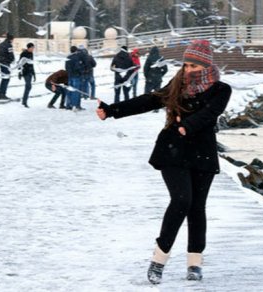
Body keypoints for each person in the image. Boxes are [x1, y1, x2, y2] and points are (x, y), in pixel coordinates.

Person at [96, 40, 232, 284]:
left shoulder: (222, 89)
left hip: (202, 152)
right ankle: (158, 260)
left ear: (205, 65)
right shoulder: (177, 84)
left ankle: (194, 263)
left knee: (197, 207)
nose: (188, 69)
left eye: (193, 65)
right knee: (182, 200)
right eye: (186, 64)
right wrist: (113, 110)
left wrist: (187, 126)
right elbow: (150, 100)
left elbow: (210, 113)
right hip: (173, 151)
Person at [65, 45, 85, 110]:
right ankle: (75, 105)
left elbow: (66, 67)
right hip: (76, 76)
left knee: (69, 90)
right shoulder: (76, 57)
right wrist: (81, 71)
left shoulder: (68, 57)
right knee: (76, 91)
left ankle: (68, 105)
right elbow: (77, 67)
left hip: (70, 76)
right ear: (76, 51)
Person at [0, 32, 15, 100]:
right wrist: (12, 60)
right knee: (6, 79)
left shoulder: (1, 44)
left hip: (1, 63)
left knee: (4, 78)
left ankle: (1, 93)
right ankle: (2, 94)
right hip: (6, 63)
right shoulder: (9, 45)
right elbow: (11, 55)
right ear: (11, 39)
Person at [18, 43, 36, 108]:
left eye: (33, 48)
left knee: (29, 87)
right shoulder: (23, 54)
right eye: (32, 48)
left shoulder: (31, 54)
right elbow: (19, 63)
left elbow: (32, 64)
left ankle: (24, 101)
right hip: (25, 72)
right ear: (29, 48)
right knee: (28, 85)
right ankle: (24, 102)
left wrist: (34, 73)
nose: (33, 49)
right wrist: (19, 72)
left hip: (30, 71)